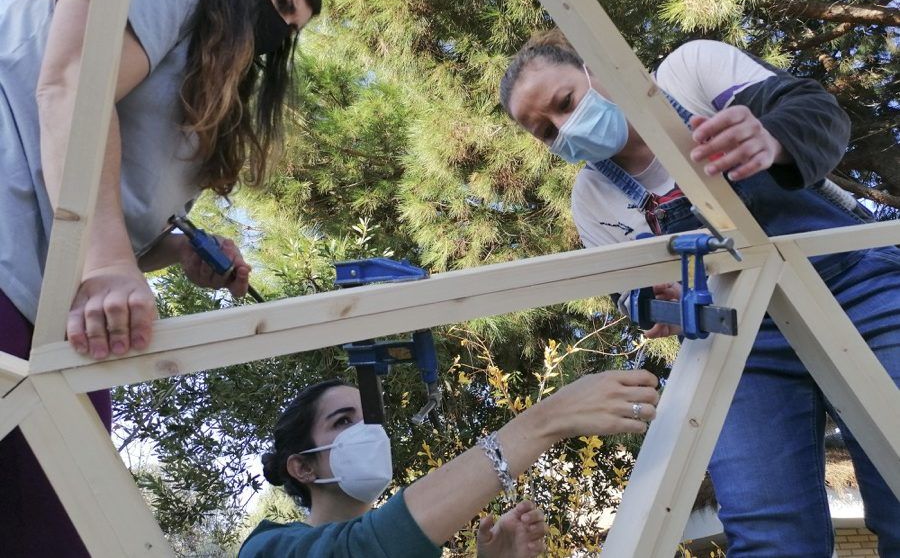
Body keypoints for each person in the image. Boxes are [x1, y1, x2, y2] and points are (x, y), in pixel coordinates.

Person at [499, 32, 900, 556]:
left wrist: (772, 139)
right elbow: (631, 296)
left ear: (596, 64)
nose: (564, 128)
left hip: (855, 288)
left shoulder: (692, 73)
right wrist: (656, 303)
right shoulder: (592, 198)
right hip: (742, 339)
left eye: (565, 103)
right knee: (770, 536)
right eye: (546, 132)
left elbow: (815, 112)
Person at [0, 0, 321, 555]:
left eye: (293, 27)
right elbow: (69, 88)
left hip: (54, 318)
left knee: (65, 533)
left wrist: (168, 253)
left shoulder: (199, 86)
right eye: (279, 2)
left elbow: (103, 216)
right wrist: (109, 263)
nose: (278, 31)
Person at [239, 372, 660, 557]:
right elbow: (360, 551)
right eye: (343, 422)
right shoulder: (267, 548)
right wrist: (544, 422)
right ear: (302, 468)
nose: (366, 434)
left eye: (370, 420)